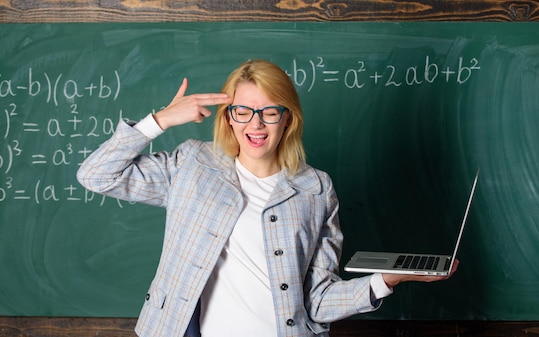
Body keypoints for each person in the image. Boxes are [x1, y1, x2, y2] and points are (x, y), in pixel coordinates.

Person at [77, 59, 458, 337]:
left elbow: (319, 301)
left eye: (269, 112)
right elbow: (96, 175)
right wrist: (159, 120)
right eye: (243, 111)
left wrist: (386, 280)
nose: (255, 124)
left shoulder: (315, 189)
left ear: (287, 119)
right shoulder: (192, 164)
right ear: (229, 118)